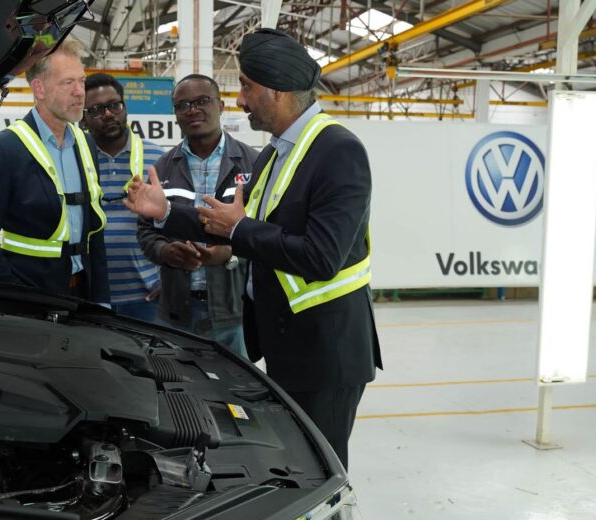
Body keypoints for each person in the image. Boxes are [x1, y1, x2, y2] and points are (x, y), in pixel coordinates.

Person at [124, 29, 382, 469]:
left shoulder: (338, 150)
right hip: (289, 343)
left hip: (326, 352)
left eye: (246, 86)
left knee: (322, 470)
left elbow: (321, 257)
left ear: (277, 90)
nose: (240, 99)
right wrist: (165, 212)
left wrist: (241, 228)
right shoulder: (275, 154)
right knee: (298, 463)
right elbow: (230, 226)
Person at [0, 40, 109, 304]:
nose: (80, 92)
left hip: (83, 295)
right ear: (39, 88)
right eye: (68, 82)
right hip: (31, 299)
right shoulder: (6, 149)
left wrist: (101, 299)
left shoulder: (86, 144)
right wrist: (17, 296)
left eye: (81, 81)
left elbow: (94, 233)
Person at [137, 74, 257, 358]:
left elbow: (265, 234)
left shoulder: (253, 163)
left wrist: (229, 254)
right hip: (176, 313)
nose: (192, 110)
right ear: (175, 115)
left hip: (234, 312)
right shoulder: (162, 168)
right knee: (176, 383)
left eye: (202, 101)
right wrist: (164, 252)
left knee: (236, 385)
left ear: (221, 106)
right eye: (183, 105)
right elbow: (145, 231)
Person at [82, 73, 164, 320]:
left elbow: (176, 219)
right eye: (96, 109)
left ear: (125, 108)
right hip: (89, 295)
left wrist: (169, 277)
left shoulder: (157, 158)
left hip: (147, 296)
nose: (108, 114)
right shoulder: (75, 158)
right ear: (83, 118)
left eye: (114, 105)